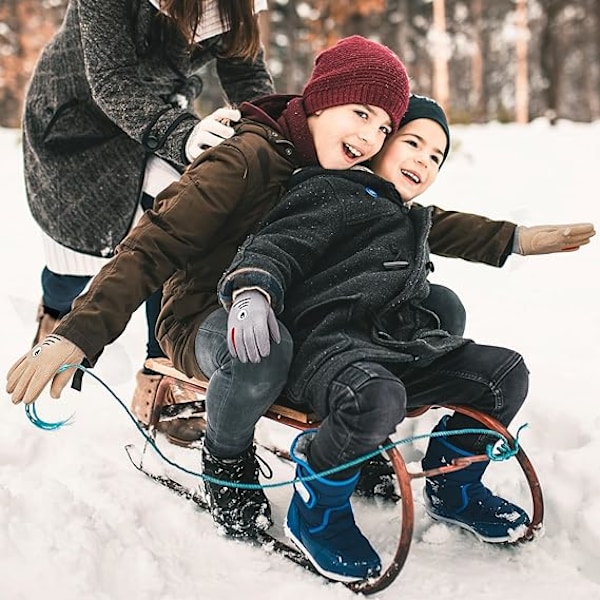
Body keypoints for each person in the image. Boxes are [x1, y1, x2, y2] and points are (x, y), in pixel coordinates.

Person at [6, 32, 412, 532]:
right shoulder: (245, 158)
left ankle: (347, 440)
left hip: (291, 311)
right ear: (322, 101)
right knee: (260, 350)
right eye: (360, 113)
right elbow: (155, 243)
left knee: (382, 317)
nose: (371, 137)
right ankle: (225, 464)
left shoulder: (345, 173)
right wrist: (77, 331)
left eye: (385, 126)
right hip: (204, 313)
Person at [215, 95, 595, 581]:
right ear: (377, 145)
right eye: (412, 142)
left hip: (394, 344)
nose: (423, 159)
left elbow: (458, 229)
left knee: (504, 375)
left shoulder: (406, 214)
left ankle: (453, 485)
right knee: (376, 397)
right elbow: (276, 247)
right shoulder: (327, 191)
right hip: (328, 347)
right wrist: (253, 288)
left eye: (436, 156)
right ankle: (318, 510)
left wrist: (518, 239)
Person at [23, 0, 274, 411]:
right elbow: (111, 80)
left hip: (157, 115)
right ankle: (55, 313)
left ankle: (161, 373)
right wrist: (183, 133)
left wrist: (278, 133)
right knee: (74, 260)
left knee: (180, 224)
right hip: (79, 120)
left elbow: (246, 72)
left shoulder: (235, 6)